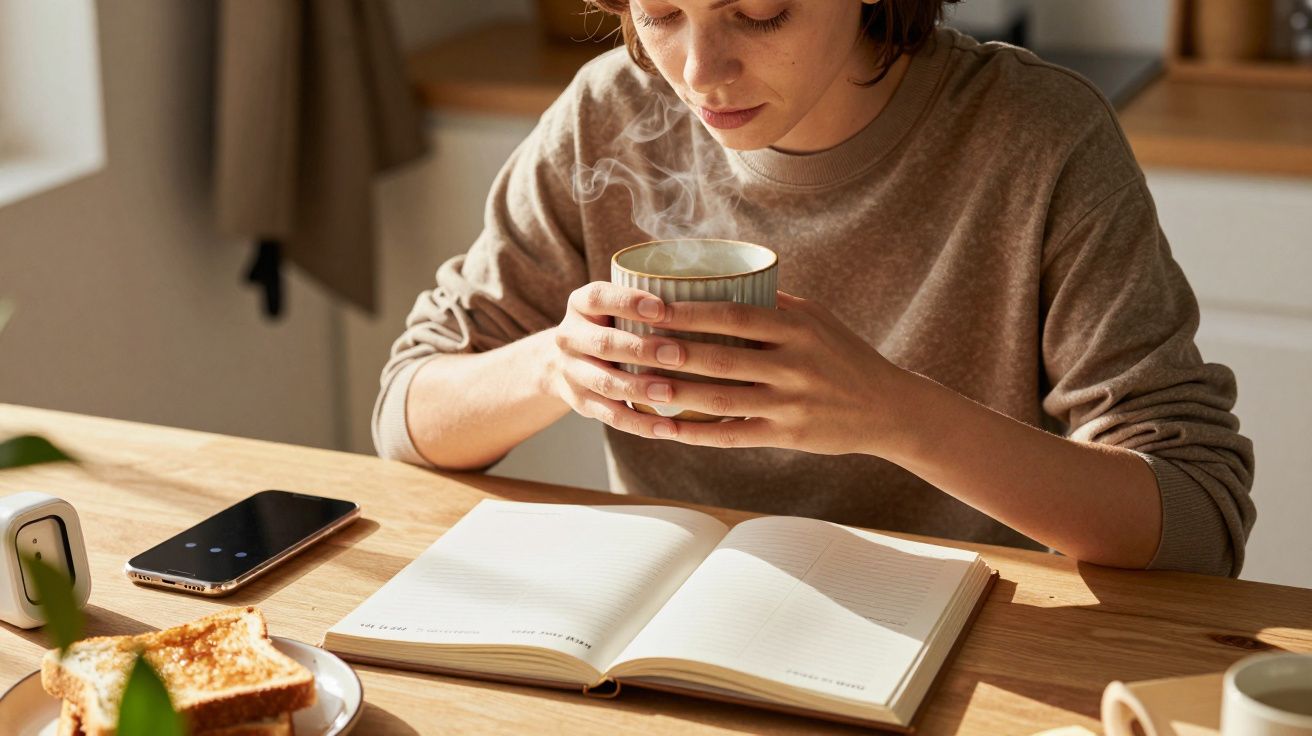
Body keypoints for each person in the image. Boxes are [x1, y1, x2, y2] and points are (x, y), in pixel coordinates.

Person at [374, 0, 1255, 576]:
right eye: (663, 13)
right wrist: (551, 369)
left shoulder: (1036, 140)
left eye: (759, 12)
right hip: (679, 644)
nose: (699, 72)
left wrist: (891, 413)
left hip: (980, 645)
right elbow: (407, 417)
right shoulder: (608, 115)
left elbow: (1196, 521)